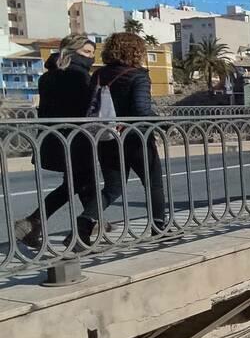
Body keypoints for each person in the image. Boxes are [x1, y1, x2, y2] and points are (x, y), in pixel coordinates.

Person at [76, 33, 166, 242]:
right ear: (136, 51)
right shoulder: (138, 75)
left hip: (107, 138)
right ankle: (159, 227)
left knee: (113, 188)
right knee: (153, 184)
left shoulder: (99, 74)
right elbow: (142, 110)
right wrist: (160, 121)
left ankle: (85, 221)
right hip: (136, 139)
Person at [12, 35, 99, 248]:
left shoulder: (47, 76)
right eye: (87, 52)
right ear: (72, 51)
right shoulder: (78, 76)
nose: (91, 57)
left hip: (54, 139)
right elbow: (85, 109)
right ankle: (39, 223)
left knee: (79, 183)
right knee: (79, 183)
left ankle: (91, 224)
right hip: (76, 140)